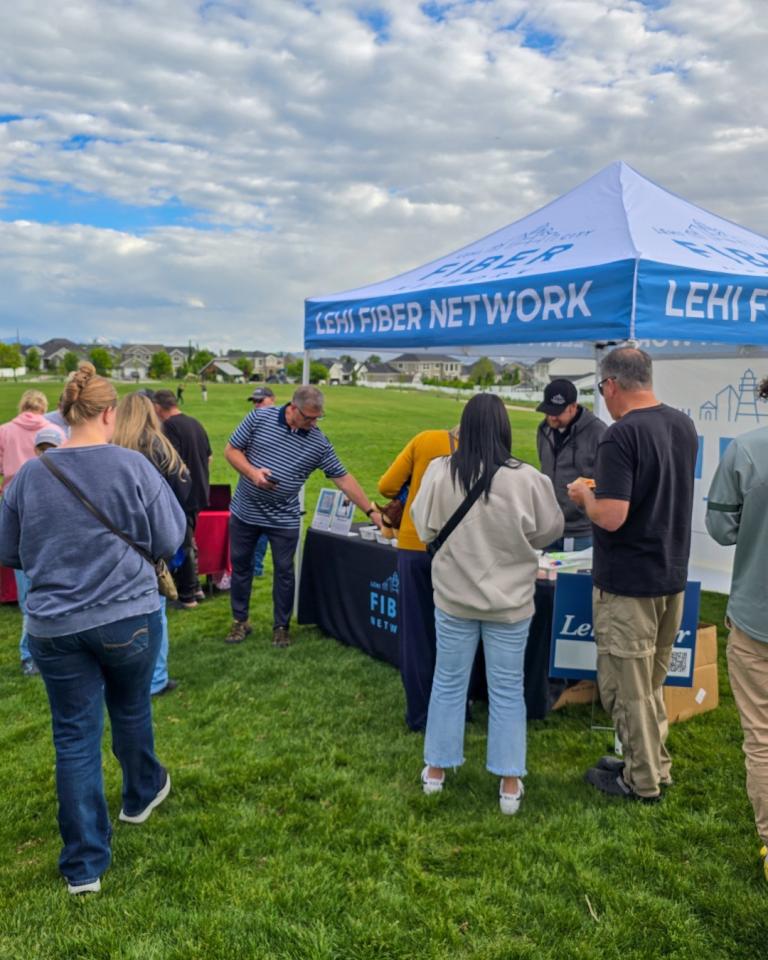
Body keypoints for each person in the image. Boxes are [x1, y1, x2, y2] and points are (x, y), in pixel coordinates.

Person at [0, 362, 186, 894]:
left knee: (75, 736)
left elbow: (9, 549)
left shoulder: (33, 473)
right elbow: (171, 535)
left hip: (54, 624)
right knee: (129, 708)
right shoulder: (131, 466)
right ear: (109, 412)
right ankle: (139, 793)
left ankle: (85, 863)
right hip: (126, 615)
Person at [411, 394, 563, 814]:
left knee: (449, 682)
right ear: (503, 428)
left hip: (455, 597)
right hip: (509, 601)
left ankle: (436, 770)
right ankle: (509, 782)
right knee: (507, 690)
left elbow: (423, 525)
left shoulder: (440, 472)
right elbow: (549, 529)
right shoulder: (528, 478)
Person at [568, 347, 697, 803]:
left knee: (628, 687)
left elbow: (612, 516)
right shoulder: (681, 425)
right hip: (669, 573)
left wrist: (585, 496)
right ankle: (653, 765)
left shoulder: (620, 436)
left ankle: (640, 782)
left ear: (612, 385)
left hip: (628, 582)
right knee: (650, 683)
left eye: (601, 388)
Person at [223, 384, 381, 647]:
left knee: (285, 572)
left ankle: (281, 627)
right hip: (245, 511)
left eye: (318, 417)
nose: (314, 422)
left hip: (284, 517)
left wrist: (371, 510)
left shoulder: (318, 441)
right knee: (241, 567)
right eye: (309, 417)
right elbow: (231, 450)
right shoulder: (259, 418)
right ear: (292, 408)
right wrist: (253, 473)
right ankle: (240, 621)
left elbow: (342, 478)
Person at [705, 375, 768, 881]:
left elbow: (722, 529)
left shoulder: (747, 451)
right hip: (753, 617)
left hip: (756, 618)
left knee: (762, 739)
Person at [378, 426, 458, 732]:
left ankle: (420, 714)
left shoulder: (425, 440)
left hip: (416, 542)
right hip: (457, 548)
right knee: (456, 633)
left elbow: (386, 487)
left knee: (416, 634)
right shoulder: (486, 448)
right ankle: (456, 707)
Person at [114, 392, 192, 696]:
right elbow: (181, 490)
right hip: (152, 543)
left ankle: (129, 677)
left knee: (121, 614)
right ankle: (155, 678)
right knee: (154, 611)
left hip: (117, 541)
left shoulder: (111, 448)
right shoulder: (160, 446)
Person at [0, 390, 65, 675]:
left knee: (29, 588)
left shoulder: (5, 431)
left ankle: (31, 654)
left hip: (15, 502)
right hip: (52, 506)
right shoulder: (54, 431)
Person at [152, 389, 212, 606]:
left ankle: (187, 595)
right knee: (189, 541)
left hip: (182, 494)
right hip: (200, 491)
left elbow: (170, 463)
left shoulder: (168, 427)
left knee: (183, 544)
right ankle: (195, 588)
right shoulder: (195, 423)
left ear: (158, 407)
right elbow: (209, 457)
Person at [536, 378, 606, 551]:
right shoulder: (543, 430)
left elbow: (607, 482)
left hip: (582, 532)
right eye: (548, 410)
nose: (551, 416)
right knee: (544, 578)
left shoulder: (598, 432)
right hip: (548, 528)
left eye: (557, 412)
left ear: (573, 407)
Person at [247, 387, 276, 577]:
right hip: (251, 483)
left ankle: (256, 567)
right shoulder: (252, 421)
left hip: (271, 484)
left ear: (272, 399)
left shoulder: (279, 422)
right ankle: (252, 566)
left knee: (264, 529)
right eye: (254, 401)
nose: (257, 405)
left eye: (260, 400)